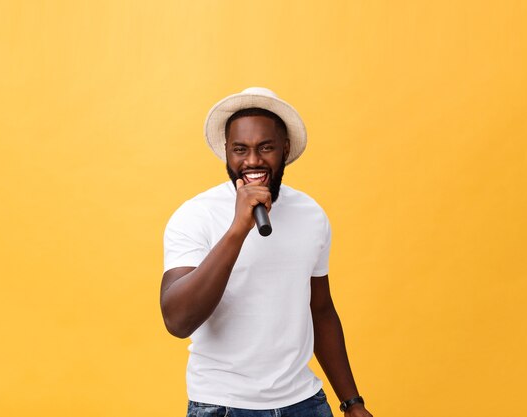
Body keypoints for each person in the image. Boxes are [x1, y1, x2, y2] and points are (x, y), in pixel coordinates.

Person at [160, 87, 373, 417]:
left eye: (266, 148)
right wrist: (237, 229)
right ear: (226, 153)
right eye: (240, 149)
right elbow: (177, 320)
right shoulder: (195, 215)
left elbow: (320, 310)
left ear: (285, 150)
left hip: (305, 403)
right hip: (223, 405)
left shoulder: (311, 214)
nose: (253, 161)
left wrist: (352, 402)